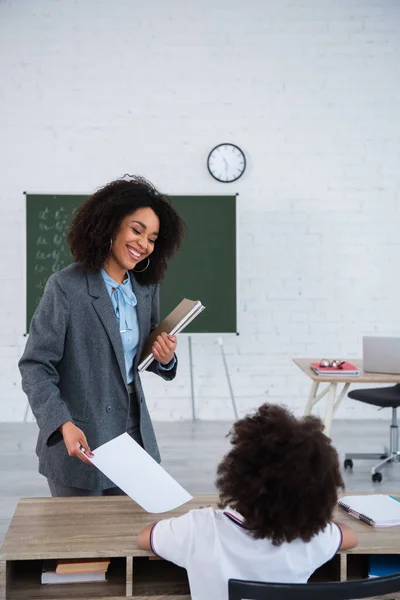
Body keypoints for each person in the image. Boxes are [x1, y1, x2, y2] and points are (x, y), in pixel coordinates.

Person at [19, 175, 185, 497]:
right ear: (110, 225)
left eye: (152, 238)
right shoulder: (65, 287)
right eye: (137, 230)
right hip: (80, 434)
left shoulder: (146, 288)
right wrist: (61, 423)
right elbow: (35, 366)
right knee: (85, 545)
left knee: (134, 538)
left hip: (134, 433)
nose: (143, 244)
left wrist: (164, 359)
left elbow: (141, 354)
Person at [138, 403, 357, 600]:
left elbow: (145, 537)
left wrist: (201, 517)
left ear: (237, 472)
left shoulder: (199, 527)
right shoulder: (314, 540)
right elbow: (350, 536)